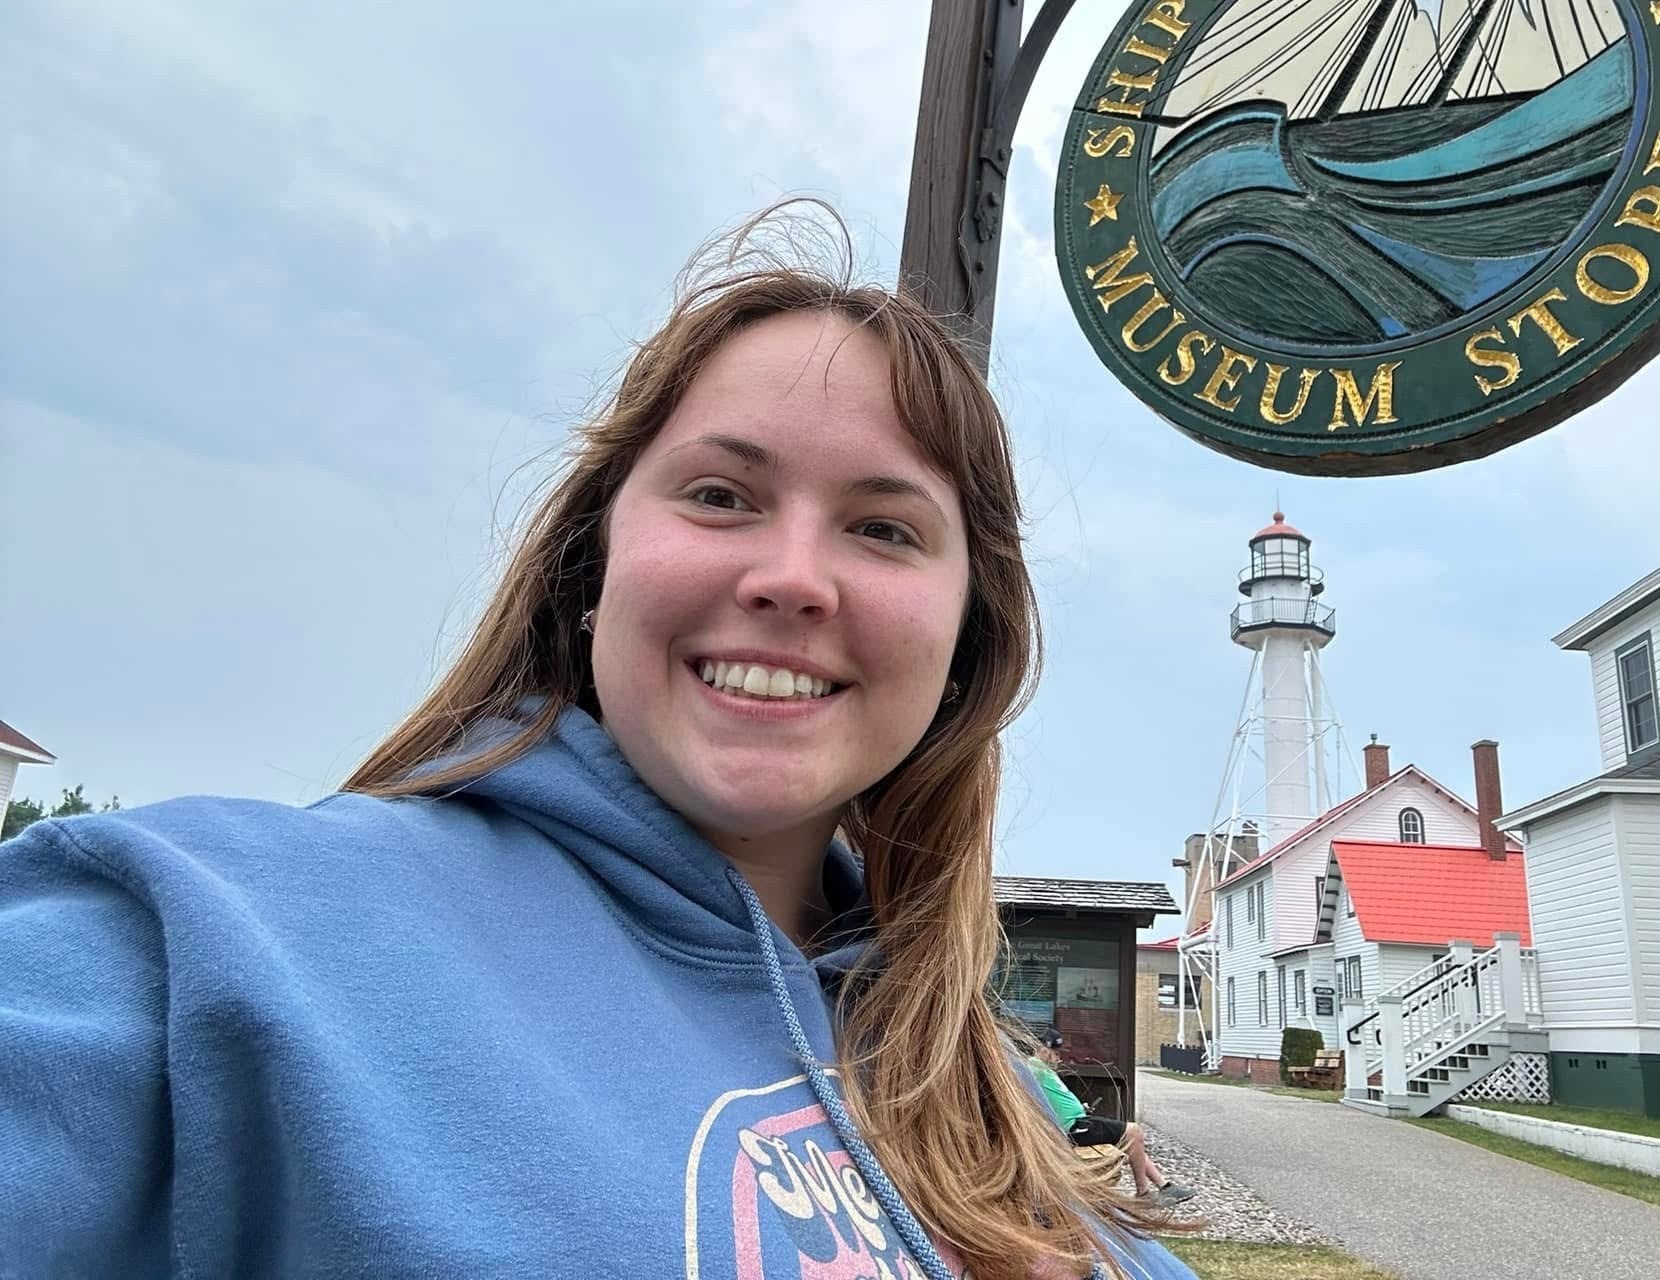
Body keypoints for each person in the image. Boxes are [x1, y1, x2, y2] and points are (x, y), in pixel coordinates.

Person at [0, 212, 1198, 1280]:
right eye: (721, 496)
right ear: (593, 565)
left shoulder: (959, 1063)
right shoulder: (223, 933)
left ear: (963, 643)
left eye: (883, 528)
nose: (790, 579)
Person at [1025, 1033, 1192, 1207]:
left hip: (1080, 1120)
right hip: (1073, 1128)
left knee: (1134, 1140)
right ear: (1043, 1050)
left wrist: (1079, 1107)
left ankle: (1164, 1186)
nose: (1059, 1058)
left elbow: (1055, 1099)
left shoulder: (1045, 1071)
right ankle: (1143, 1193)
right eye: (1055, 1053)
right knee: (1134, 1131)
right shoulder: (1034, 1067)